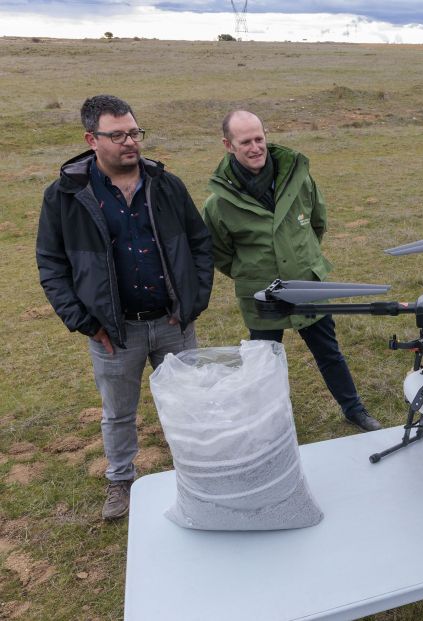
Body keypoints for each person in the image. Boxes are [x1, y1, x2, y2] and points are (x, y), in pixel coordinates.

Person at [36, 95, 214, 521]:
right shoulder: (65, 196)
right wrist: (85, 322)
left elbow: (199, 243)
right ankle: (121, 479)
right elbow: (52, 265)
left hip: (173, 322)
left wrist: (193, 301)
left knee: (188, 402)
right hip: (114, 333)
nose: (130, 142)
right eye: (117, 135)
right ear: (91, 140)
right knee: (118, 413)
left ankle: (197, 469)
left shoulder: (166, 185)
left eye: (134, 132)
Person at [202, 110, 382, 432]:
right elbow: (220, 253)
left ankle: (354, 409)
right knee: (264, 361)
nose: (255, 147)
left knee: (329, 352)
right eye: (245, 142)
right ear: (228, 145)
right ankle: (269, 421)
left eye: (259, 138)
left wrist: (303, 259)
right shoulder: (218, 204)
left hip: (306, 284)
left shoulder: (299, 179)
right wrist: (252, 273)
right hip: (261, 295)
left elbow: (317, 223)